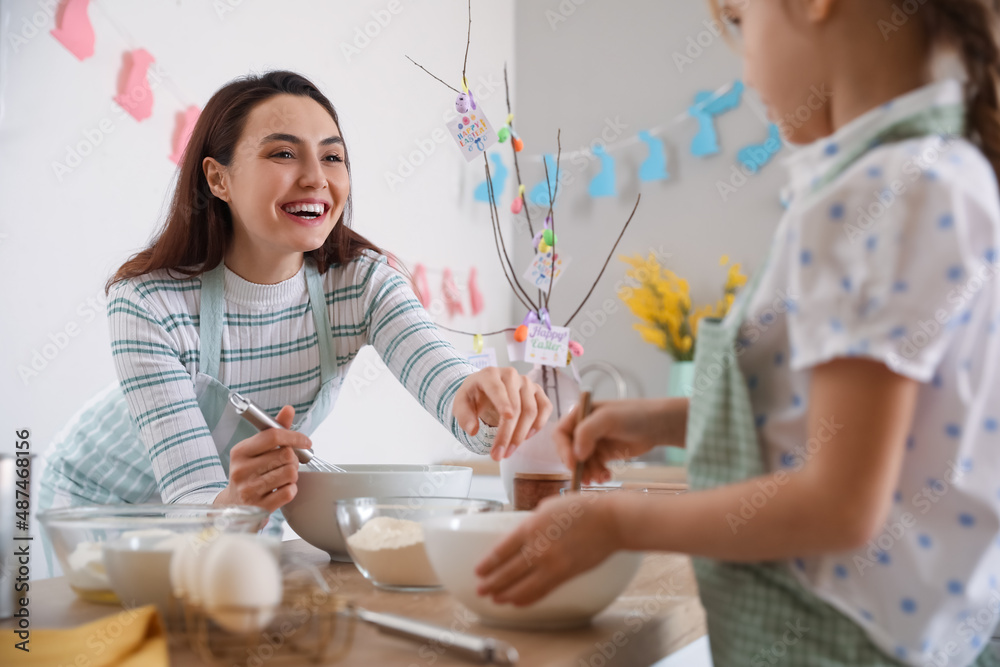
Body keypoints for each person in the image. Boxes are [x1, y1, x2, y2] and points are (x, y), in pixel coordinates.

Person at [475, 1, 1000, 665]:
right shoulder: (940, 173)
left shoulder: (878, 192)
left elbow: (841, 505)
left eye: (741, 23)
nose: (745, 67)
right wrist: (668, 421)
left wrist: (617, 521)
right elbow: (853, 429)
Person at [39, 70, 551, 516]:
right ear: (218, 179)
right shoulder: (148, 303)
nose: (315, 178)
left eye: (333, 157)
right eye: (283, 153)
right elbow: (193, 496)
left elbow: (449, 386)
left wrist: (483, 402)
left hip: (233, 511)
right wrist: (241, 505)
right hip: (103, 507)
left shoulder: (362, 283)